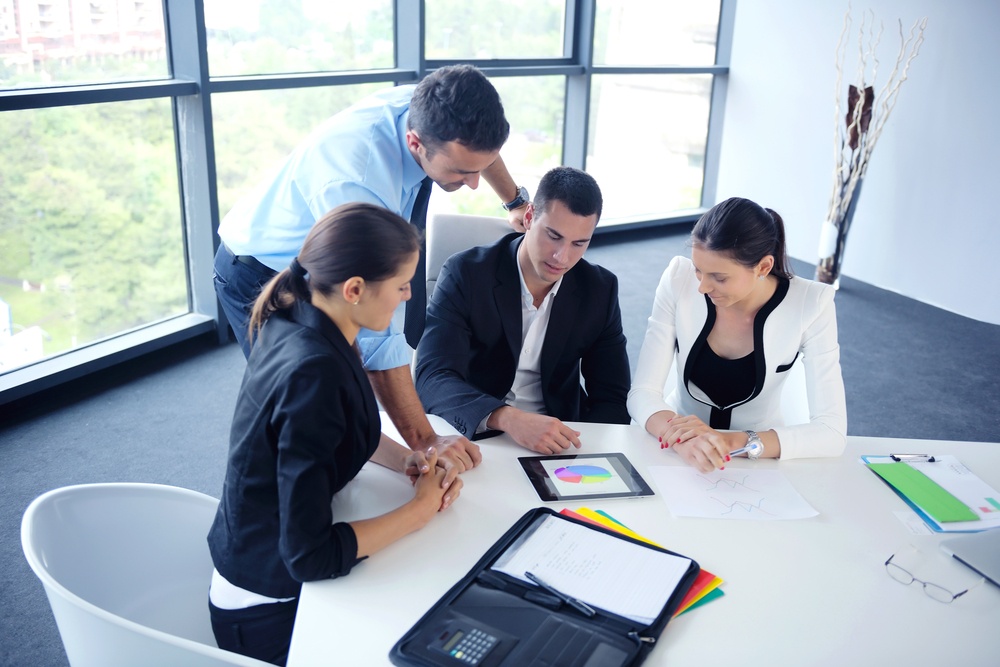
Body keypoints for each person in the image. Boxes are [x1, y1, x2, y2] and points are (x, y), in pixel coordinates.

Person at [213, 64, 528, 475]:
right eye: (460, 171)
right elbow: (382, 335)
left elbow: (479, 150)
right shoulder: (357, 182)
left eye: (477, 169)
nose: (472, 184)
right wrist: (425, 441)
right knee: (311, 409)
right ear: (416, 143)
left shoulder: (433, 106)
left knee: (348, 394)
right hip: (261, 272)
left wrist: (515, 201)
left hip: (329, 253)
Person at [207, 203, 463, 666]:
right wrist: (420, 509)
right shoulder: (313, 372)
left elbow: (332, 428)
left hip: (257, 556)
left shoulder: (305, 315)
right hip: (271, 613)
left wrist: (404, 457)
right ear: (355, 289)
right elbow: (310, 556)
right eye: (402, 284)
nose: (408, 295)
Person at [414, 167, 631, 454]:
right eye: (553, 236)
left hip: (559, 441)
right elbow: (433, 376)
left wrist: (588, 455)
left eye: (579, 243)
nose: (562, 257)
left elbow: (612, 396)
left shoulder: (599, 290)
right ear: (529, 217)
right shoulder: (466, 273)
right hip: (475, 434)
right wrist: (507, 418)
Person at [627, 197, 847, 473]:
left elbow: (832, 432)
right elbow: (642, 394)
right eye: (698, 270)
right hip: (676, 448)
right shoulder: (678, 279)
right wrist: (686, 440)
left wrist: (729, 441)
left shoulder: (812, 303)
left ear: (763, 267)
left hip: (759, 457)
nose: (702, 287)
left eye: (719, 278)